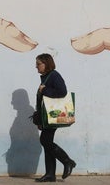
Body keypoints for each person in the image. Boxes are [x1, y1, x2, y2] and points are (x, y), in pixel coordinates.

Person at [34, 53, 76, 182]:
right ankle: (50, 174)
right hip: (46, 117)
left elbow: (62, 91)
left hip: (54, 116)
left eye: (38, 64)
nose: (36, 67)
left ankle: (67, 161)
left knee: (45, 141)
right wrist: (40, 120)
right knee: (47, 143)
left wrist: (45, 90)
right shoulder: (46, 77)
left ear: (46, 63)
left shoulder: (54, 75)